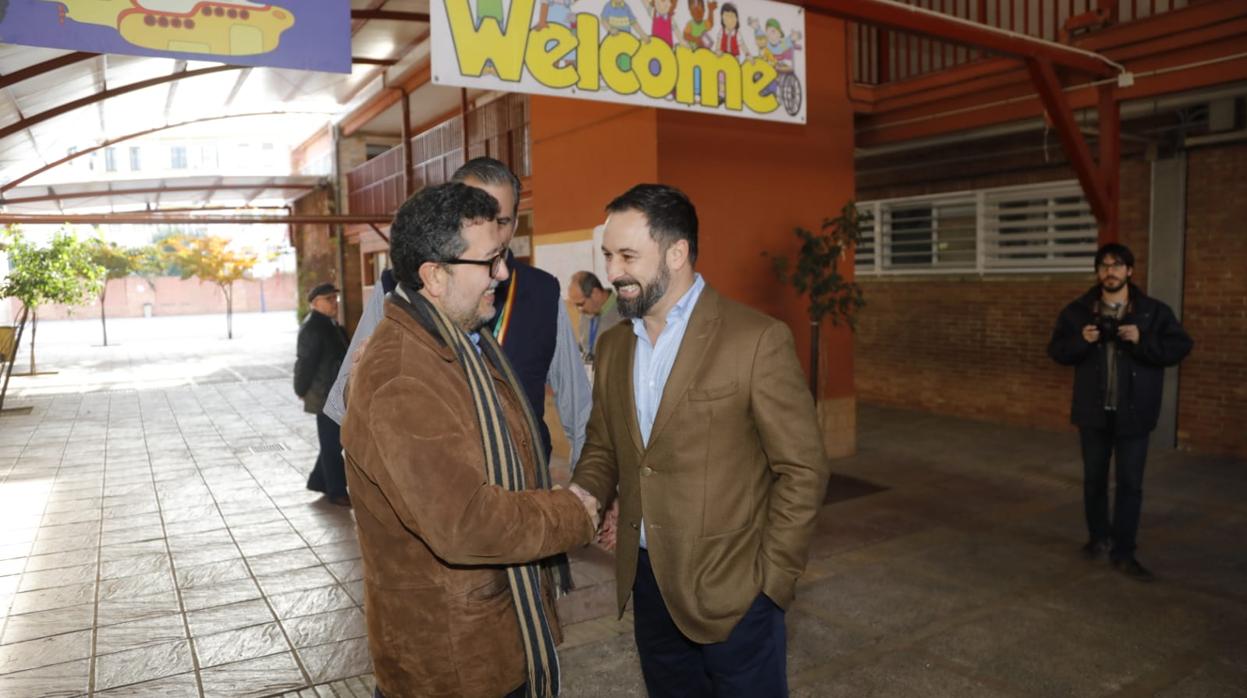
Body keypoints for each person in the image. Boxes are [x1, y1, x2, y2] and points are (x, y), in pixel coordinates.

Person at [568, 184, 830, 697]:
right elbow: (603, 445)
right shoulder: (617, 344)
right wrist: (583, 496)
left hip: (735, 591)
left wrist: (771, 583)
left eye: (627, 256)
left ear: (677, 252)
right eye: (607, 255)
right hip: (647, 583)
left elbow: (803, 468)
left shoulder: (754, 339)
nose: (613, 271)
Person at [340, 182, 599, 698]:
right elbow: (467, 522)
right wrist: (574, 512)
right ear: (434, 276)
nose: (502, 274)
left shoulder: (452, 343)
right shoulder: (403, 376)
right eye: (489, 262)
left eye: (503, 257)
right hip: (454, 665)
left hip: (488, 638)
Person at [324, 157, 591, 467]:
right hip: (435, 494)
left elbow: (580, 411)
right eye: (472, 214)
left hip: (527, 492)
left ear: (516, 224)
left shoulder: (542, 293)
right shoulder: (398, 289)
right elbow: (345, 404)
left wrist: (588, 492)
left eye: (501, 221)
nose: (487, 229)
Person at [1047, 242, 1192, 581]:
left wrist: (1142, 340)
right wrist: (1081, 340)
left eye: (1117, 265)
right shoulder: (1077, 312)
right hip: (1093, 414)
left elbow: (1180, 346)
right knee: (1094, 481)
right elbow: (1056, 351)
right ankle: (1098, 538)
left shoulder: (1153, 312)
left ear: (1130, 271)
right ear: (1097, 272)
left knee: (1130, 484)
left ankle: (1124, 552)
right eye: (1103, 265)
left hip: (1134, 414)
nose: (1109, 271)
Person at [294, 282, 350, 507]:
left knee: (333, 442)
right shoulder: (313, 327)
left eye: (335, 298)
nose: (334, 303)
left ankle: (319, 480)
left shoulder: (330, 324)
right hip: (324, 395)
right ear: (316, 303)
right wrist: (300, 389)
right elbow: (305, 362)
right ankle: (336, 491)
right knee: (332, 444)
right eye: (329, 299)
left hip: (334, 393)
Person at [568, 270, 621, 362]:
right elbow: (584, 346)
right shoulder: (587, 312)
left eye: (580, 304)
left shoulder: (624, 315)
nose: (579, 311)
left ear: (595, 294)